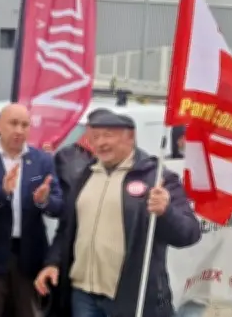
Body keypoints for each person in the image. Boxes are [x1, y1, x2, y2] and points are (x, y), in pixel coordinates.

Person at [34, 111, 201, 317]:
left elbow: (189, 234)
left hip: (130, 297)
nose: (101, 143)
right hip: (83, 295)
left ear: (130, 137)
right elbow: (68, 228)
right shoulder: (84, 176)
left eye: (108, 135)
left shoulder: (157, 178)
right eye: (95, 137)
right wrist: (53, 263)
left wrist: (166, 212)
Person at [0, 104, 64, 317]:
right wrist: (1, 193)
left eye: (25, 125)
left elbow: (58, 207)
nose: (19, 130)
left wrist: (44, 201)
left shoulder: (42, 162)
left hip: (29, 258)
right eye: (13, 123)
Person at [53, 108, 112, 199]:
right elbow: (55, 190)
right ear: (88, 127)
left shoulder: (118, 156)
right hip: (72, 211)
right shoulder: (66, 155)